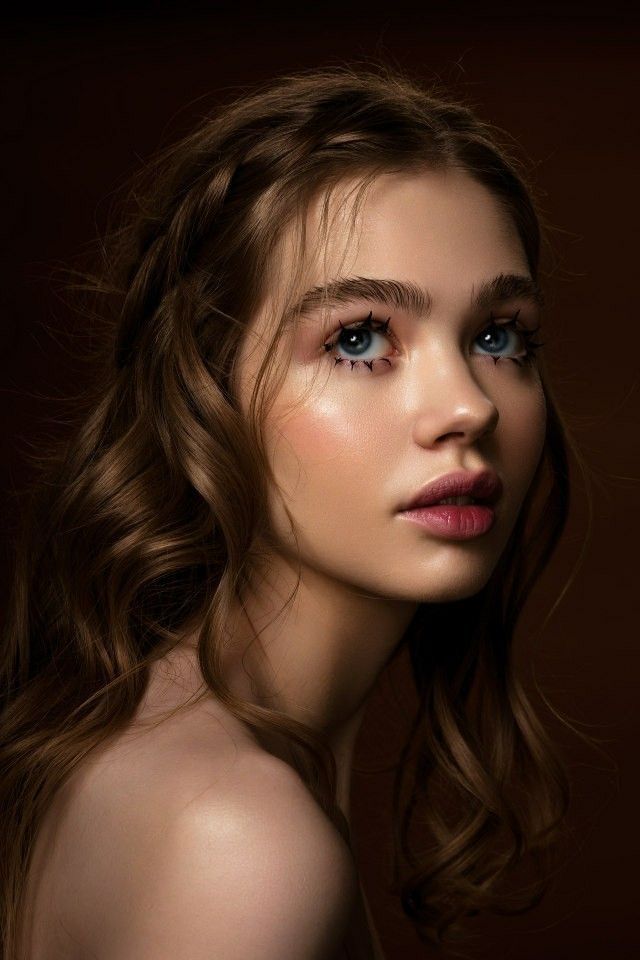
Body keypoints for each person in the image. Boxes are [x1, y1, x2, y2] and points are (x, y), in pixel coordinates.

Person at [1, 65, 582, 959]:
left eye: (498, 335)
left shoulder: (167, 744)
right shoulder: (239, 838)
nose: (470, 406)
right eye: (358, 338)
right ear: (205, 388)